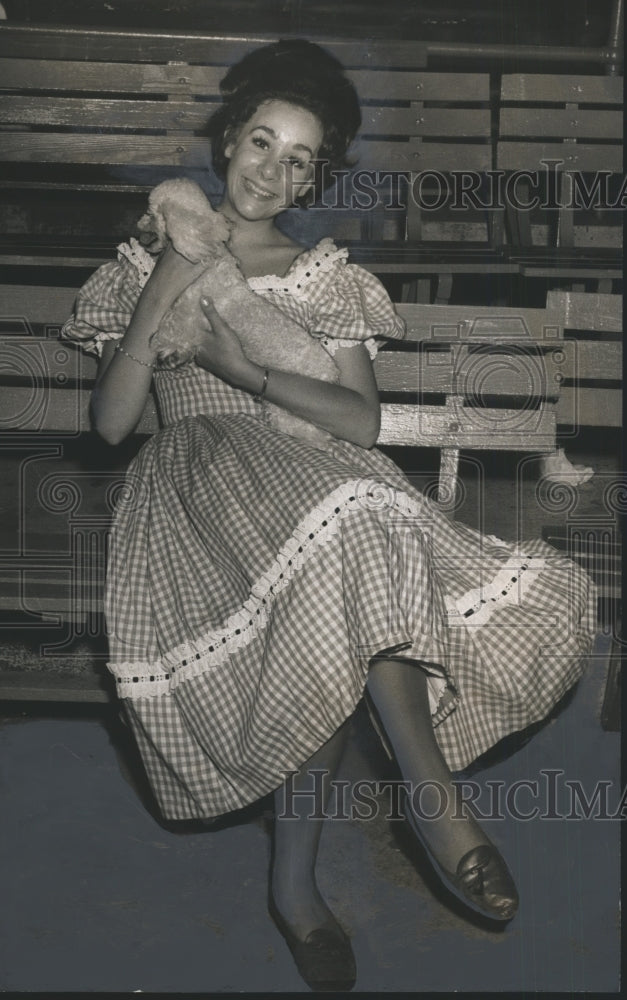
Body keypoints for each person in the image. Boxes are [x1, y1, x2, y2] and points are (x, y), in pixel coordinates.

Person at [61, 39, 597, 992]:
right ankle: (425, 803)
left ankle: (320, 873)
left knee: (352, 527)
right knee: (353, 520)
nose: (273, 169)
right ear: (227, 141)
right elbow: (110, 426)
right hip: (195, 483)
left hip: (317, 474)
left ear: (316, 177)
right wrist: (171, 272)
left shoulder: (323, 276)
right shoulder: (143, 258)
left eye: (298, 158)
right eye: (261, 142)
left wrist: (240, 365)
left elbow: (358, 420)